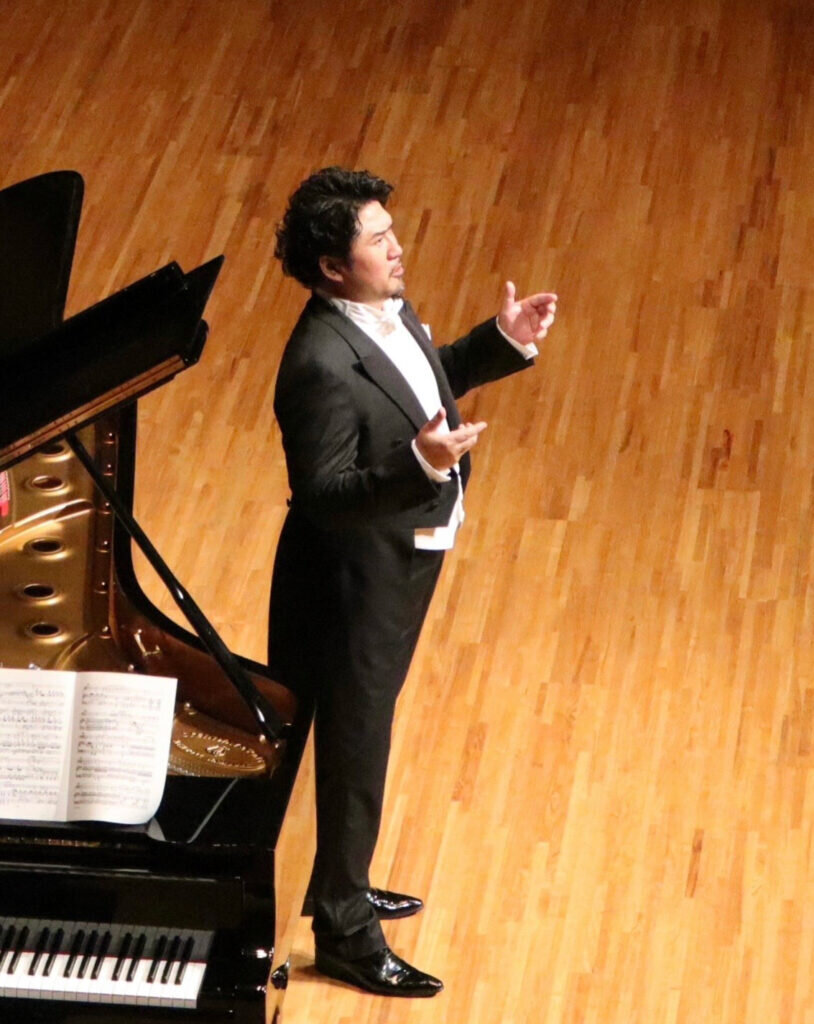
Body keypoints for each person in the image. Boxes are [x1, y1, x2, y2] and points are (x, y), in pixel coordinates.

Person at [268, 166, 556, 997]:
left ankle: (341, 881)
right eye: (378, 239)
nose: (398, 248)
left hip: (398, 560)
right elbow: (323, 496)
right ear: (333, 267)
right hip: (351, 586)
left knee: (364, 737)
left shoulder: (384, 307)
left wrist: (500, 341)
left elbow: (422, 384)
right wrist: (420, 466)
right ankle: (345, 931)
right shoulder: (318, 364)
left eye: (391, 231)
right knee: (355, 751)